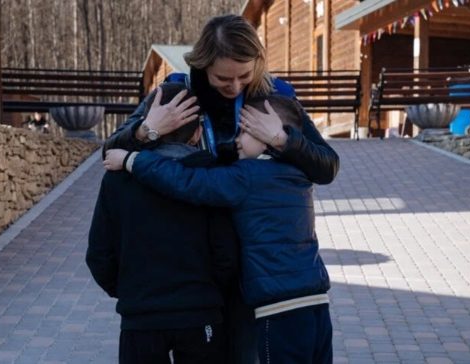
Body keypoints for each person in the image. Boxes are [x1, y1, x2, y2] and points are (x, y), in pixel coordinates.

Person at [104, 14, 339, 364]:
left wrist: (282, 139)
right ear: (203, 64)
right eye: (222, 78)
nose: (235, 87)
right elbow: (111, 152)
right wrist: (147, 131)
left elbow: (327, 166)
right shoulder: (177, 92)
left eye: (245, 75)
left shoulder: (274, 97)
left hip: (255, 266)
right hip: (196, 269)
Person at [87, 82, 238, 364]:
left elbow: (99, 255)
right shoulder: (210, 177)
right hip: (200, 313)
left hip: (140, 318)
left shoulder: (117, 178)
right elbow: (227, 254)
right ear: (196, 134)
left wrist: (131, 292)